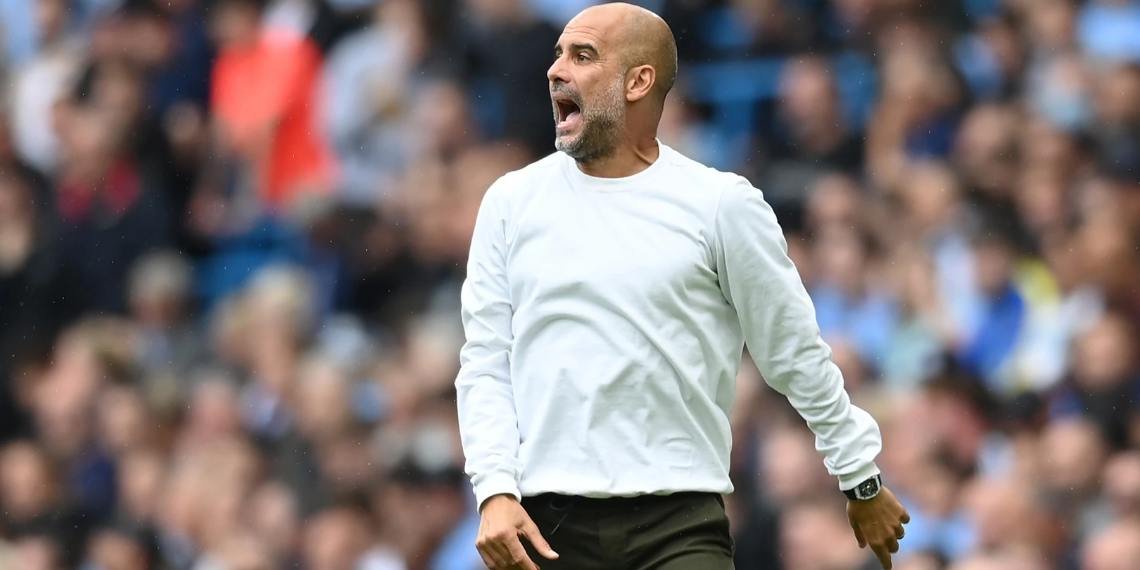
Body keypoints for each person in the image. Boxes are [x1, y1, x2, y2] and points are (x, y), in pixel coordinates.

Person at [454, 3, 910, 570]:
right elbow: (485, 362)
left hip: (679, 528)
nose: (555, 70)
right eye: (557, 55)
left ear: (639, 81)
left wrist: (859, 477)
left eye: (583, 55)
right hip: (545, 528)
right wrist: (494, 489)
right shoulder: (510, 203)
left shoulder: (719, 204)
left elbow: (792, 351)